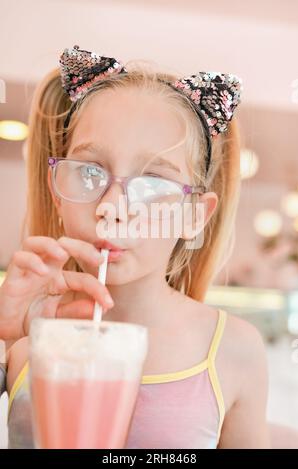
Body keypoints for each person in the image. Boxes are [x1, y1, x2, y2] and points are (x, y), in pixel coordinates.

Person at [0, 45, 270, 449]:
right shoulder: (24, 343)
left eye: (154, 184)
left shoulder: (234, 350)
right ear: (58, 195)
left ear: (194, 215)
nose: (112, 207)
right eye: (90, 173)